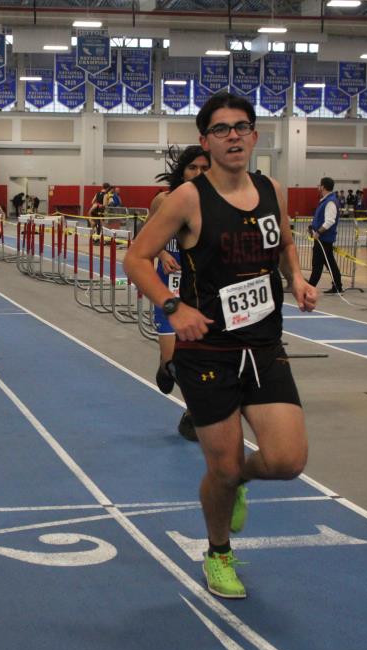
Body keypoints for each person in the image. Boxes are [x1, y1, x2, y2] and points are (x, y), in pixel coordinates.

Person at [123, 92, 317, 600]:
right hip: (208, 351)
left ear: (254, 136)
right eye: (221, 129)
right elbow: (136, 259)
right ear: (205, 141)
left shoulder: (272, 189)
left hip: (264, 345)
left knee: (287, 460)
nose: (234, 136)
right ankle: (219, 552)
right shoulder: (187, 199)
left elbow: (286, 242)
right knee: (222, 467)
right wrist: (172, 306)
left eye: (242, 127)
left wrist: (296, 279)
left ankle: (238, 482)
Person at [146, 144, 210, 443]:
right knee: (173, 361)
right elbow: (145, 239)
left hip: (200, 292)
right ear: (182, 171)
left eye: (205, 168)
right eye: (192, 168)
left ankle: (192, 412)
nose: (198, 173)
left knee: (198, 360)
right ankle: (165, 366)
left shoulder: (216, 205)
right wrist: (162, 253)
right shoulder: (163, 200)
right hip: (168, 291)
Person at [308, 177, 344, 294]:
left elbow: (330, 221)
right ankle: (337, 286)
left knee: (317, 264)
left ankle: (310, 288)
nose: (318, 187)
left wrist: (318, 232)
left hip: (323, 239)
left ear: (323, 187)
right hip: (322, 238)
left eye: (320, 185)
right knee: (330, 263)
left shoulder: (330, 202)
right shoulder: (325, 200)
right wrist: (312, 227)